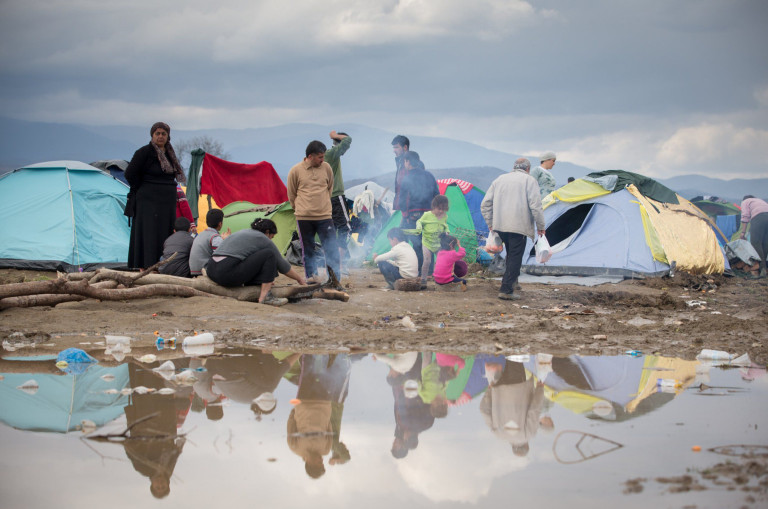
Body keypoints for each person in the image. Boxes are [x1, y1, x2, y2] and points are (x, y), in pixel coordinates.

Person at [481, 158, 545, 300]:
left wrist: (491, 223)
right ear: (528, 169)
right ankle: (506, 289)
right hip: (519, 225)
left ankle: (513, 281)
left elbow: (485, 204)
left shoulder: (499, 179)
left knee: (511, 255)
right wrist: (541, 226)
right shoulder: (529, 181)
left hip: (500, 225)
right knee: (515, 256)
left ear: (514, 167)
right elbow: (536, 206)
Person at [125, 122, 187, 269]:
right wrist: (143, 187)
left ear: (168, 136)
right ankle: (145, 267)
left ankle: (163, 266)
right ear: (152, 136)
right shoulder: (144, 152)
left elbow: (172, 175)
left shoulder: (170, 154)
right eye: (157, 133)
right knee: (149, 234)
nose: (160, 136)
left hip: (166, 202)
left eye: (163, 134)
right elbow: (130, 174)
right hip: (148, 201)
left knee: (165, 233)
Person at [205, 218, 306, 305]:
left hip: (212, 269)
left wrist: (266, 278)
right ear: (267, 232)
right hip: (226, 272)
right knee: (270, 254)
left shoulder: (245, 232)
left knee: (261, 256)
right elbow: (282, 265)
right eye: (271, 237)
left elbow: (250, 261)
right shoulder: (262, 238)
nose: (271, 240)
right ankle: (265, 297)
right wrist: (300, 279)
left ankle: (258, 284)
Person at [287, 140, 341, 285]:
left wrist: (324, 203)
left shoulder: (326, 168)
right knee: (308, 249)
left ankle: (334, 279)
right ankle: (312, 278)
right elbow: (291, 194)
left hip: (324, 216)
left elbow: (330, 187)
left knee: (331, 248)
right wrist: (299, 208)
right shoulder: (296, 170)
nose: (322, 160)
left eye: (323, 157)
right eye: (320, 157)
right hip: (304, 217)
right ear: (310, 156)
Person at [398, 151, 440, 274]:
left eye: (405, 161)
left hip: (414, 217)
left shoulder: (407, 178)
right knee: (428, 244)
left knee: (417, 245)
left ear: (408, 161)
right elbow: (437, 196)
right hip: (430, 216)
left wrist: (406, 216)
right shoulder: (429, 176)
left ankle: (419, 272)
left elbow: (403, 200)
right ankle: (430, 272)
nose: (405, 164)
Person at [404, 195, 450, 287]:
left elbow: (445, 225)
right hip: (427, 243)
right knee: (427, 261)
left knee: (441, 261)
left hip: (438, 244)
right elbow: (419, 221)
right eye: (439, 209)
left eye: (443, 209)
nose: (441, 211)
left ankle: (440, 278)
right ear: (434, 206)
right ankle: (423, 279)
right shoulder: (427, 215)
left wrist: (447, 232)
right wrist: (419, 227)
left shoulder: (444, 216)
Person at [324, 131, 352, 274]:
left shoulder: (323, 158)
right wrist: (335, 135)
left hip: (325, 198)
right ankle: (340, 265)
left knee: (331, 231)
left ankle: (332, 264)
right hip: (336, 196)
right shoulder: (332, 155)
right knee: (345, 229)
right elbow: (348, 140)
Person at [189, 208, 231, 276]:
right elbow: (221, 258)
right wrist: (226, 240)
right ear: (220, 224)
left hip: (194, 271)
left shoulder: (200, 235)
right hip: (204, 272)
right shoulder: (215, 237)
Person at [738, 195, 768, 277]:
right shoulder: (759, 200)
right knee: (765, 243)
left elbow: (745, 216)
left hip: (759, 217)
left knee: (755, 242)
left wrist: (743, 233)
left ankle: (762, 268)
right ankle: (765, 267)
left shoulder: (745, 202)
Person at [391, 135, 410, 213]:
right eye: (393, 148)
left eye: (396, 147)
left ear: (405, 147)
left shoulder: (410, 163)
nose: (394, 150)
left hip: (406, 209)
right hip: (400, 206)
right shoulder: (400, 163)